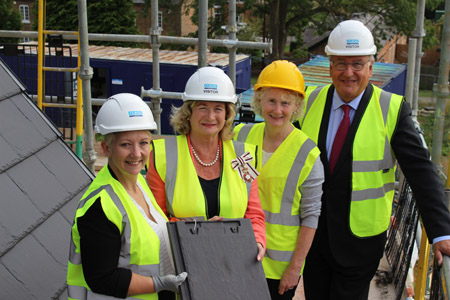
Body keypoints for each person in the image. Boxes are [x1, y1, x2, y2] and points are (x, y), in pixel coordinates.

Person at [295, 20, 450, 300]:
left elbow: (421, 173)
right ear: (330, 66)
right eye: (341, 63)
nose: (349, 72)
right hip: (313, 239)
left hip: (360, 244)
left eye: (358, 64)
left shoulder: (391, 109)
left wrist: (440, 232)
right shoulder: (309, 102)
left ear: (371, 66)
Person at [67, 93, 187, 300]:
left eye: (143, 143)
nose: (137, 153)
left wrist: (199, 229)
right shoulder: (100, 206)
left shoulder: (138, 182)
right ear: (107, 148)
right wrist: (158, 284)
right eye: (125, 144)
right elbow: (102, 278)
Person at [146, 66, 266, 260]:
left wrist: (258, 240)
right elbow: (155, 220)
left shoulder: (243, 156)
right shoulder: (162, 155)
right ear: (188, 112)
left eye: (218, 108)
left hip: (234, 259)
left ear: (227, 114)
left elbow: (254, 214)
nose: (210, 117)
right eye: (202, 107)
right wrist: (202, 230)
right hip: (183, 259)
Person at [234, 60, 324, 300]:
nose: (277, 109)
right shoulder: (239, 136)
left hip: (277, 267)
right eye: (271, 100)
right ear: (259, 100)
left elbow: (311, 216)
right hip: (238, 255)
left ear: (296, 106)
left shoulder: (308, 154)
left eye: (286, 103)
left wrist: (295, 268)